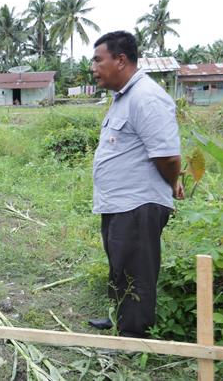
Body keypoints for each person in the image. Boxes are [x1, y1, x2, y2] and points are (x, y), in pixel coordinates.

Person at [88, 31, 184, 338]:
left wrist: (173, 183)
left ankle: (134, 336)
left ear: (120, 60)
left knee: (137, 270)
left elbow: (167, 156)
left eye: (98, 60)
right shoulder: (123, 97)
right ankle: (120, 317)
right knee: (121, 263)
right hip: (120, 202)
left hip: (138, 203)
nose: (93, 68)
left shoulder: (147, 97)